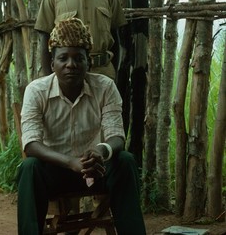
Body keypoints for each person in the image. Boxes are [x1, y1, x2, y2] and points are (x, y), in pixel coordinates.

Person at [17, 18, 146, 235]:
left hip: (96, 169)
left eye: (79, 58)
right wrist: (70, 163)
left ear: (89, 63)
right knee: (29, 168)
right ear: (52, 64)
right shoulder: (36, 91)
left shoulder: (105, 87)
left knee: (125, 161)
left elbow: (117, 137)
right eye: (63, 58)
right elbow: (31, 145)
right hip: (56, 171)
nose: (71, 64)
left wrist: (100, 150)